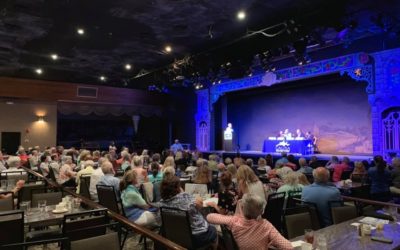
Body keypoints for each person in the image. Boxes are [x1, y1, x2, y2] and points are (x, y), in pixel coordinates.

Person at [207, 193, 293, 250]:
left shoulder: (235, 221)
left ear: (243, 208)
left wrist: (237, 214)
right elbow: (288, 247)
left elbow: (209, 217)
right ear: (261, 211)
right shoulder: (266, 226)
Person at [159, 176, 218, 249]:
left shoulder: (162, 202)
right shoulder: (185, 197)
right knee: (214, 229)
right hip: (196, 237)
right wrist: (183, 192)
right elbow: (200, 204)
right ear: (177, 187)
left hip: (174, 236)